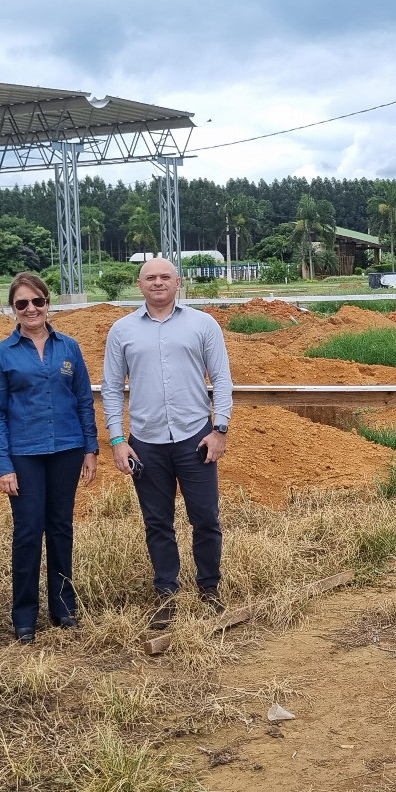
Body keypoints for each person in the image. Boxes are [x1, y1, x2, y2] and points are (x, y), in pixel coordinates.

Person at [103, 258, 233, 631]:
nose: (157, 283)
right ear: (139, 284)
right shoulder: (122, 330)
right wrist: (116, 439)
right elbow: (112, 388)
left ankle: (209, 589)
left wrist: (219, 429)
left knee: (205, 518)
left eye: (164, 277)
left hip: (196, 438)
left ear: (178, 282)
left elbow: (222, 378)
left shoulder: (203, 324)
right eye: (150, 278)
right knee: (157, 522)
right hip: (146, 443)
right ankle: (166, 594)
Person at [0, 272, 99, 644]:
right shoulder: (1, 354)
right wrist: (4, 465)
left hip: (66, 449)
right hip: (25, 455)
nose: (31, 309)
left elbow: (83, 399)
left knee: (61, 527)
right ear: (12, 310)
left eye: (37, 301)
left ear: (47, 304)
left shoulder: (69, 347)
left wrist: (90, 448)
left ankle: (64, 607)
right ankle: (24, 616)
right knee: (29, 532)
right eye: (22, 304)